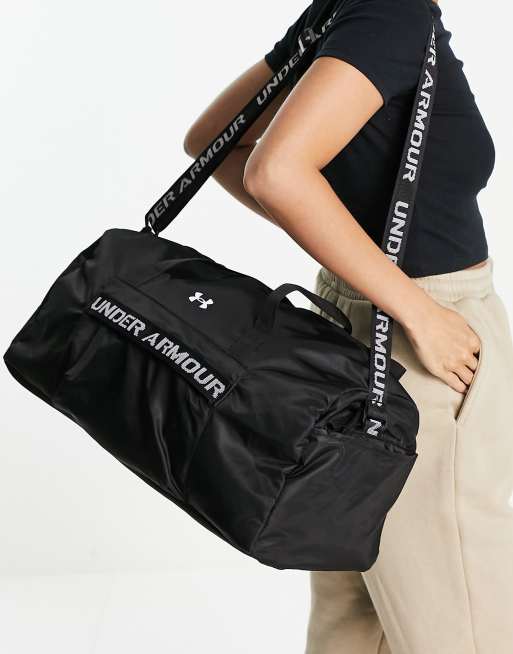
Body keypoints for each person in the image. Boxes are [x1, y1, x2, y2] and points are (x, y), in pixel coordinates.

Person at [183, 1, 513, 652]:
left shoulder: (347, 9)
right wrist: (418, 312)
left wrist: (353, 260)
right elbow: (271, 170)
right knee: (463, 617)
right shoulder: (391, 12)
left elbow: (217, 141)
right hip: (423, 343)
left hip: (347, 327)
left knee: (355, 610)